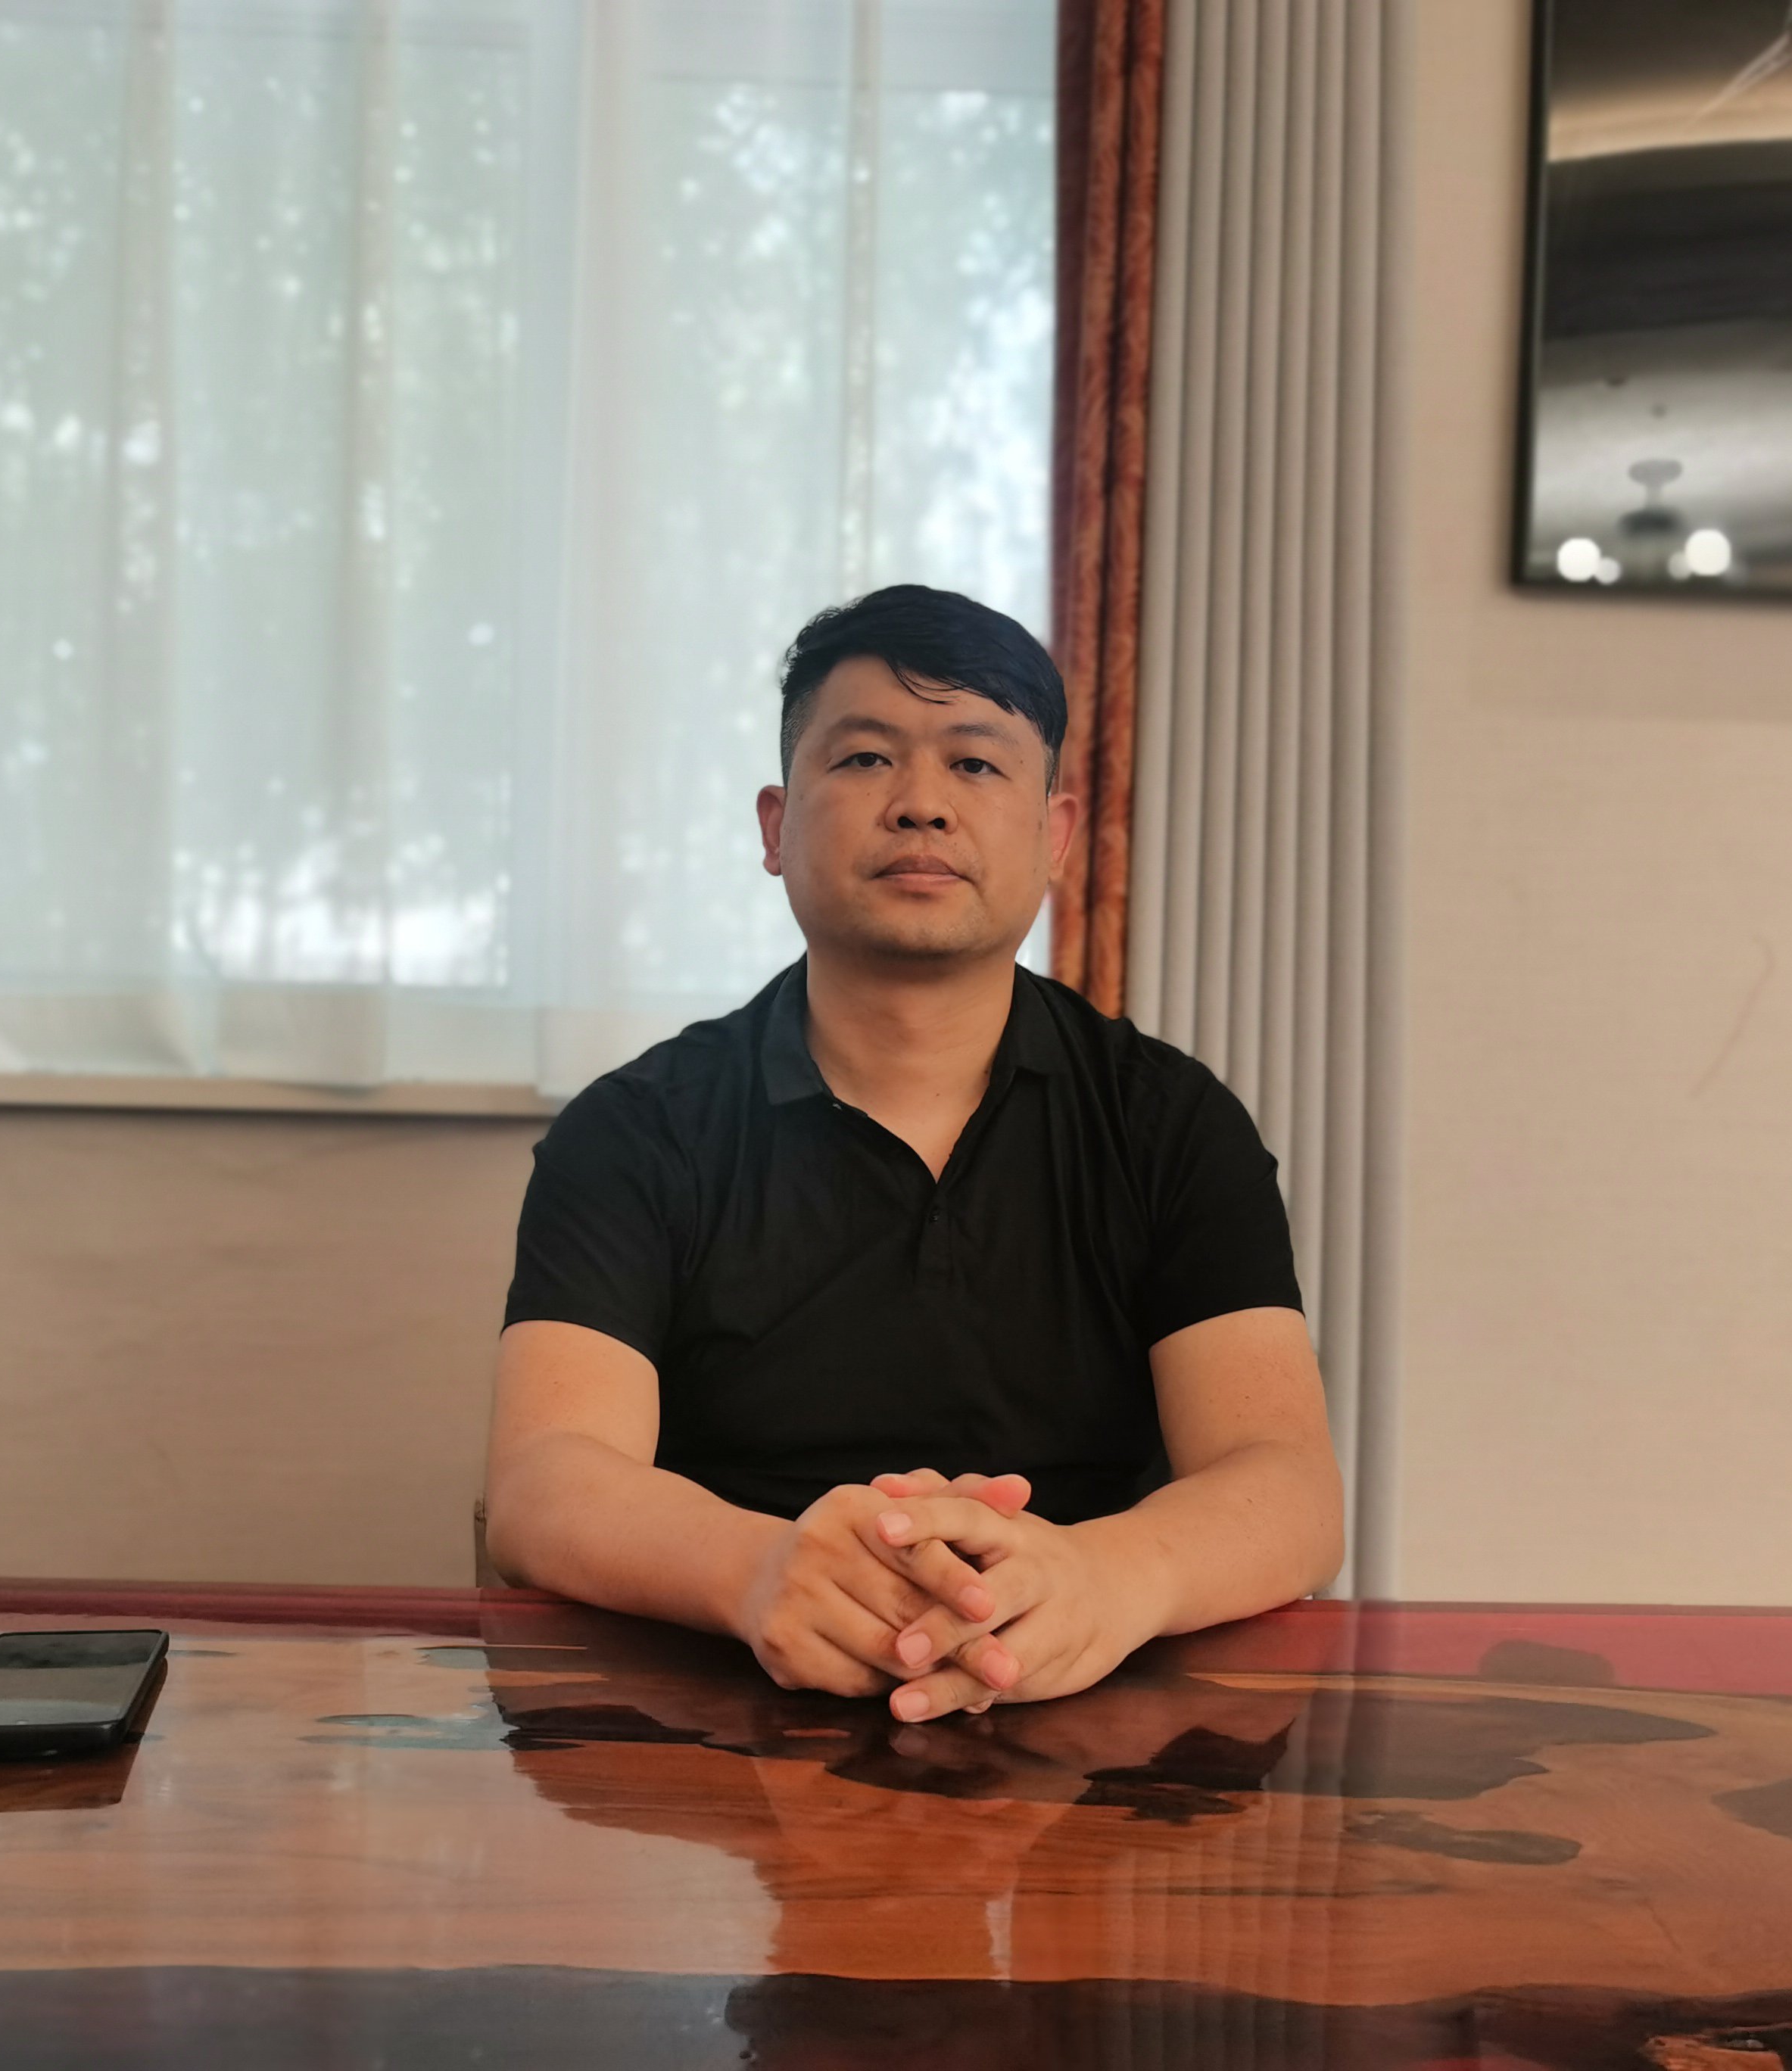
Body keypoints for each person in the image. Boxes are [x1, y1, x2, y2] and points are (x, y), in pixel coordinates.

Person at [486, 584, 1343, 1723]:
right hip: (717, 1705)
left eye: (976, 765)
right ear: (775, 827)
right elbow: (544, 1479)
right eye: (865, 760)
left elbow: (1285, 1484)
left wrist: (1103, 1577)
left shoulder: (1171, 1124)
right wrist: (762, 1570)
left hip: (1100, 1714)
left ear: (1056, 836)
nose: (922, 806)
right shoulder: (638, 1129)